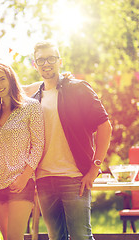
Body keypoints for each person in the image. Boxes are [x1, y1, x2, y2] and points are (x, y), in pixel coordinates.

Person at [31, 40, 112, 240]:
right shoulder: (33, 100)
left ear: (60, 61)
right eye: (40, 60)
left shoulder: (78, 89)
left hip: (75, 178)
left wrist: (95, 168)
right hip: (44, 180)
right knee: (55, 238)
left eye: (51, 58)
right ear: (35, 64)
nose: (46, 63)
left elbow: (105, 126)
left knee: (81, 237)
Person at [0, 62, 44, 240]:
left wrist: (25, 176)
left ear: (11, 78)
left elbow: (38, 145)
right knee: (7, 237)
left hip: (20, 182)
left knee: (15, 237)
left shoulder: (31, 106)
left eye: (2, 79)